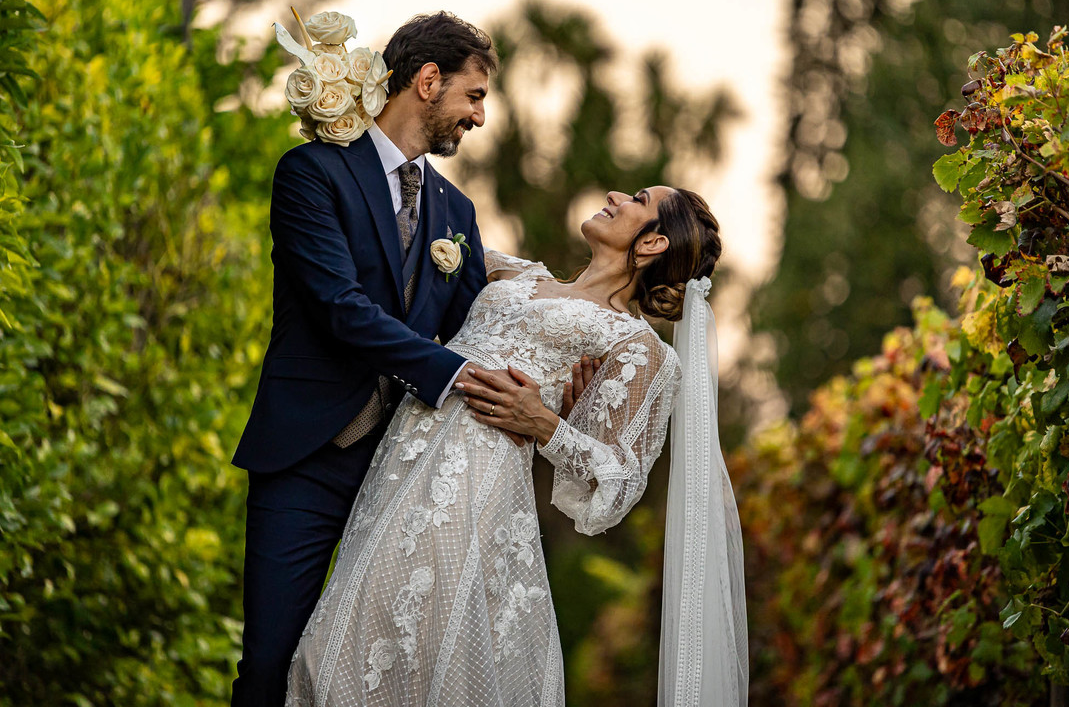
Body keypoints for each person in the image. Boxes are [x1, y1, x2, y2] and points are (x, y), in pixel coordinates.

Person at [285, 187, 749, 706]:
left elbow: (619, 481)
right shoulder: (514, 272)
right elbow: (411, 242)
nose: (616, 195)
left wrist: (546, 424)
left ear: (653, 243)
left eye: (638, 199)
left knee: (386, 647)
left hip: (473, 486)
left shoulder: (637, 345)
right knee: (340, 642)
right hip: (399, 463)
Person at [230, 11, 503, 706]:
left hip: (404, 474)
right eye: (473, 95)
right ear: (428, 80)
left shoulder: (458, 214)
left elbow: (478, 328)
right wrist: (451, 373)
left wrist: (561, 364)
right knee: (269, 667)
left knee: (373, 679)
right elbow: (339, 308)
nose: (479, 116)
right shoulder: (311, 173)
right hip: (307, 460)